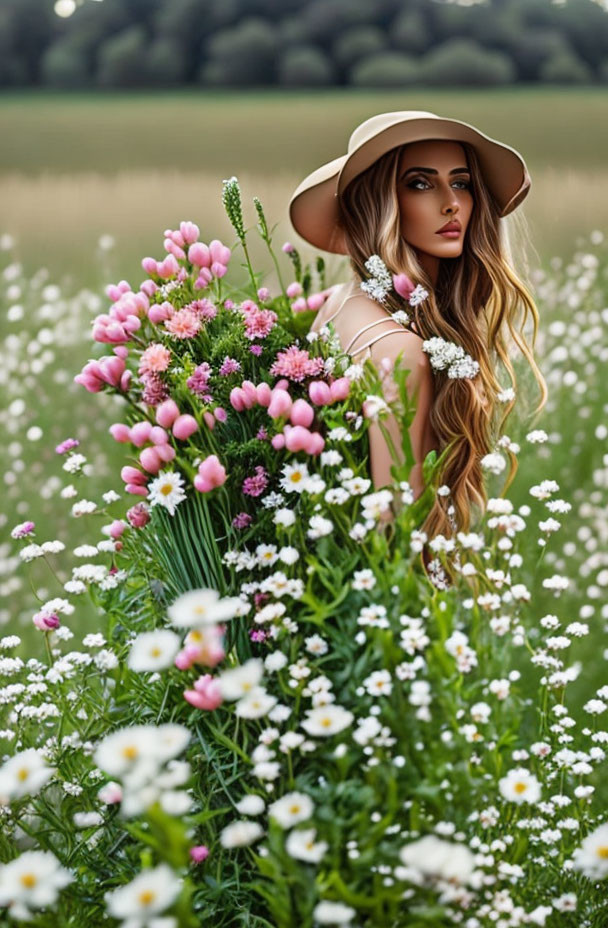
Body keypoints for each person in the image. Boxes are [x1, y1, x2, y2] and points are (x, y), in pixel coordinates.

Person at [288, 111, 547, 543]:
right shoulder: (399, 350)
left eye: (461, 182)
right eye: (421, 183)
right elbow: (399, 538)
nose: (451, 202)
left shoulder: (342, 302)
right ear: (378, 202)